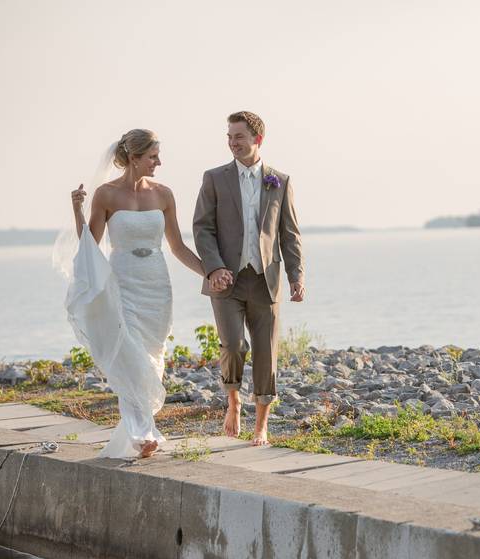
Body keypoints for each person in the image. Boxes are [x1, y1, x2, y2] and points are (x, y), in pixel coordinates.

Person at [67, 129, 203, 458]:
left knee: (153, 357)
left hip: (157, 284)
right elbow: (90, 248)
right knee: (129, 356)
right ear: (134, 158)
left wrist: (209, 273)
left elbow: (178, 247)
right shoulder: (107, 195)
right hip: (122, 283)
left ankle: (139, 429)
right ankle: (142, 433)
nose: (159, 162)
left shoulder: (164, 194)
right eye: (153, 156)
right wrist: (77, 212)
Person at [193, 111, 305, 446]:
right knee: (233, 345)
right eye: (229, 137)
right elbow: (202, 227)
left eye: (238, 136)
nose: (232, 143)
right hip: (225, 280)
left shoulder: (279, 181)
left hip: (265, 279)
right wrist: (214, 268)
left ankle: (261, 426)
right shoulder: (214, 178)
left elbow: (290, 234)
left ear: (258, 139)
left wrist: (296, 275)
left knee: (266, 351)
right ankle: (233, 401)